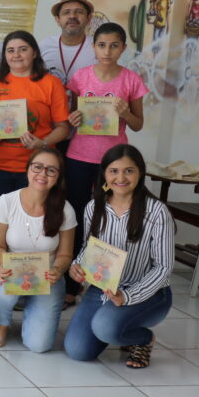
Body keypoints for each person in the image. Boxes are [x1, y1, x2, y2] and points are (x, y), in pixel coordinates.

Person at [65, 145, 174, 368]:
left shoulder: (156, 211)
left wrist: (126, 296)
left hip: (147, 292)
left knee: (105, 327)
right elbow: (88, 247)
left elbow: (163, 268)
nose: (121, 177)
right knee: (78, 350)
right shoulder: (94, 207)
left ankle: (143, 339)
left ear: (140, 173)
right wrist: (77, 265)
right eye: (114, 171)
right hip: (103, 287)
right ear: (104, 173)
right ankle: (122, 328)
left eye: (129, 171)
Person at [63, 22, 148, 306]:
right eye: (102, 45)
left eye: (114, 45)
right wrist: (73, 118)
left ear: (123, 48)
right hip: (78, 156)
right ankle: (70, 286)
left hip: (114, 164)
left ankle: (107, 282)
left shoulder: (131, 80)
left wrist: (126, 112)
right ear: (93, 46)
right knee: (74, 216)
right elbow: (74, 115)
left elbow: (138, 124)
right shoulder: (80, 77)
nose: (107, 51)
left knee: (109, 219)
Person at [0, 148, 75, 351]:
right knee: (4, 290)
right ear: (27, 170)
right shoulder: (6, 202)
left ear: (58, 177)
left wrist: (58, 269)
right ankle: (3, 322)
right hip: (12, 271)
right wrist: (4, 263)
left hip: (47, 277)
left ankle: (34, 310)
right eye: (37, 167)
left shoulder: (65, 209)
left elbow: (65, 254)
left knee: (39, 346)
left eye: (51, 170)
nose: (42, 174)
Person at [0, 31, 70, 196]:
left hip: (38, 167)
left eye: (23, 49)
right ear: (4, 55)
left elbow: (63, 128)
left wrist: (42, 143)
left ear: (35, 52)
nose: (16, 55)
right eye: (10, 50)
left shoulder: (51, 83)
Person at [38, 0, 95, 87]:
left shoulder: (99, 47)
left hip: (89, 102)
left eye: (79, 12)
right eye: (66, 12)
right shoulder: (43, 46)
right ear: (57, 19)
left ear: (88, 18)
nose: (72, 16)